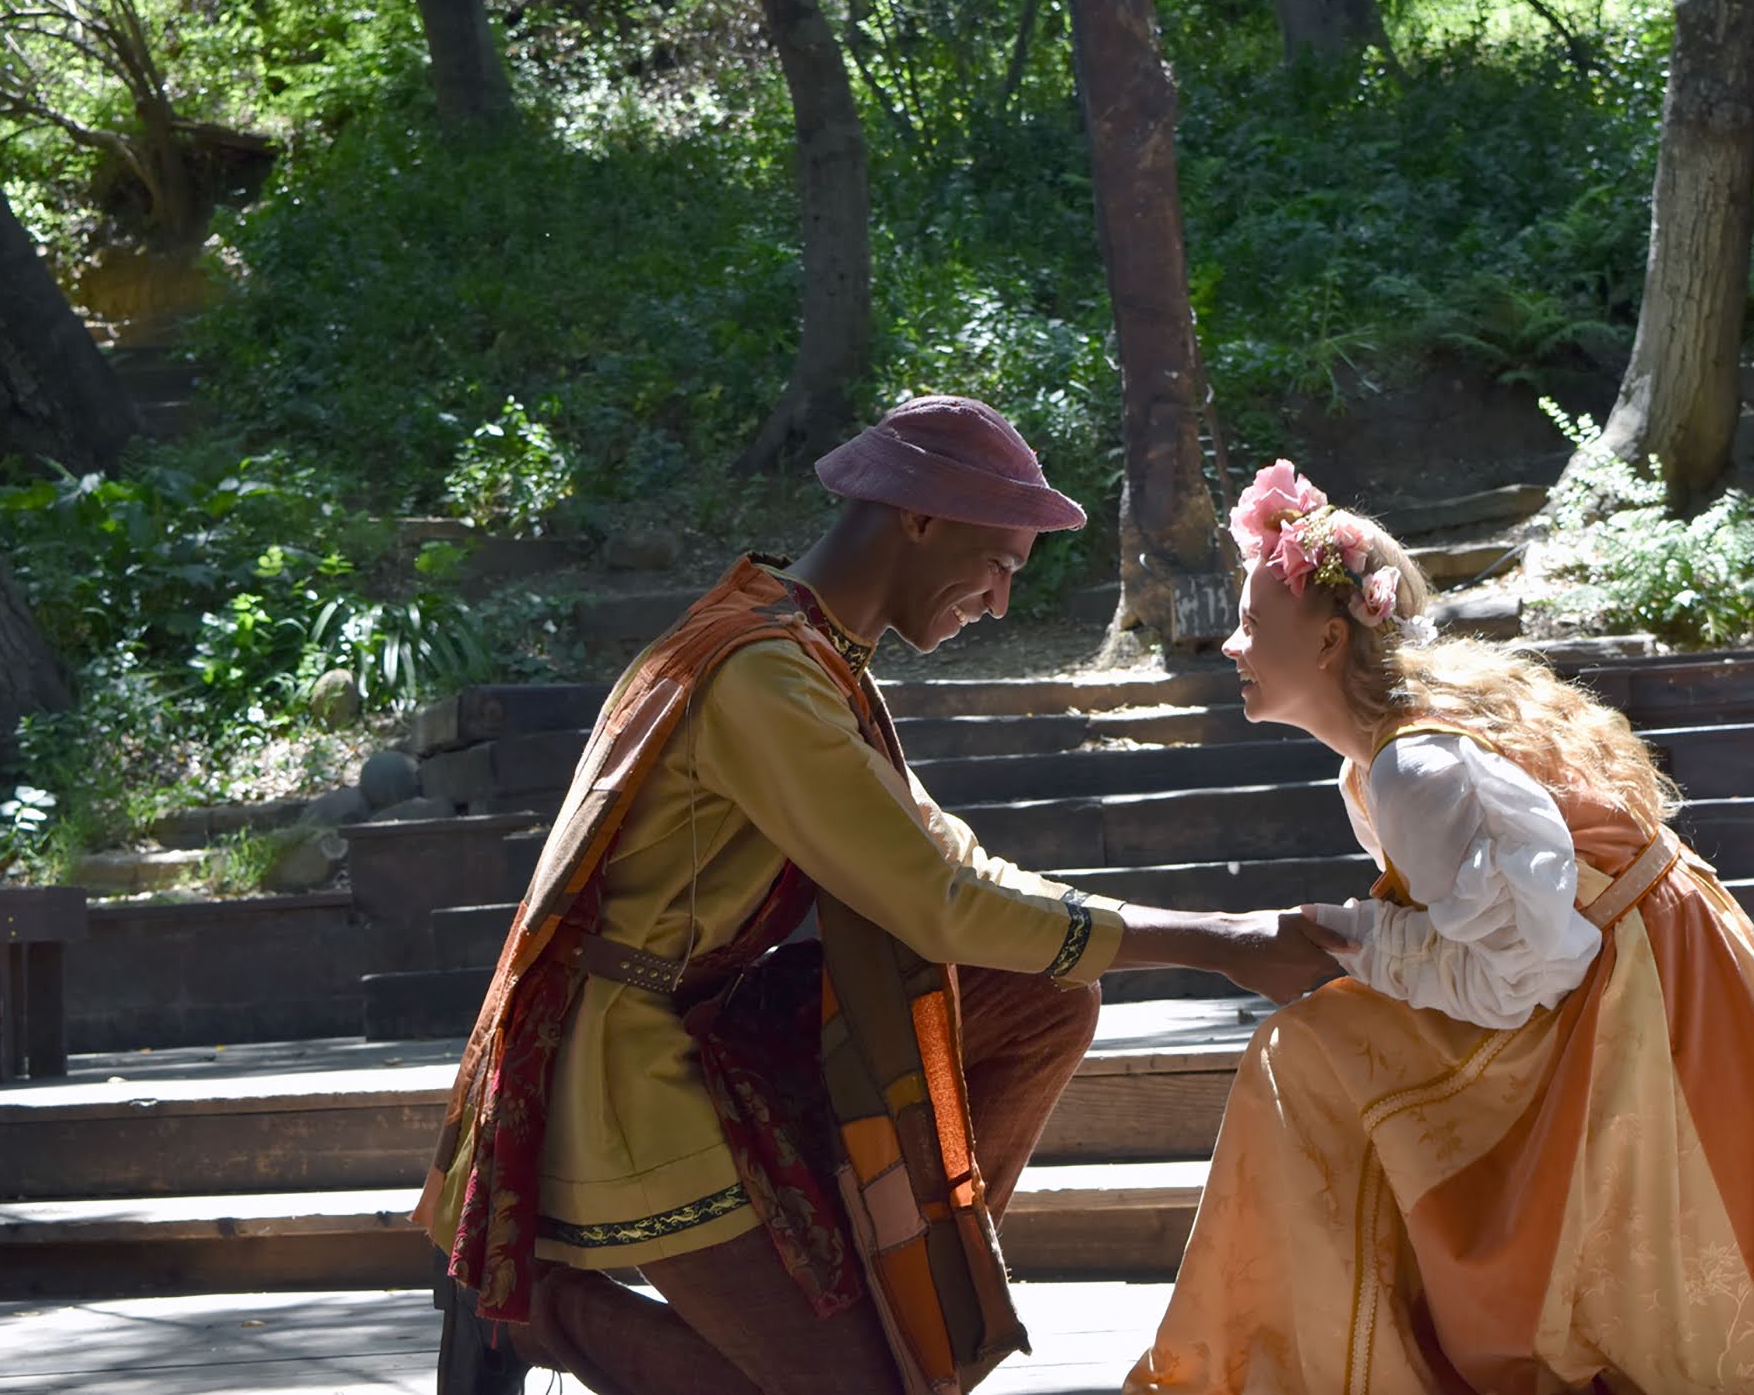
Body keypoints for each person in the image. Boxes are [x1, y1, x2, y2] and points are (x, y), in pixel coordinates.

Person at [415, 397, 1334, 1395]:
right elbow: (934, 901)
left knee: (1044, 998)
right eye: (1000, 565)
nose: (998, 602)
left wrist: (1202, 934)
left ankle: (902, 1272)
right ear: (920, 516)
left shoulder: (807, 652)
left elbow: (952, 863)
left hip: (715, 1027)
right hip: (625, 1073)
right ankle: (524, 1310)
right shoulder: (764, 675)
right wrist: (1223, 938)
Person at [1125, 459, 1754, 1394]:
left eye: (1253, 624)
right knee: (1317, 1045)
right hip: (1618, 961)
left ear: (1330, 641)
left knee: (1311, 1051)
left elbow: (1526, 969)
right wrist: (1357, 948)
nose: (1234, 647)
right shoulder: (1374, 764)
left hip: (1640, 983)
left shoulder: (1416, 769)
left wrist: (1350, 940)